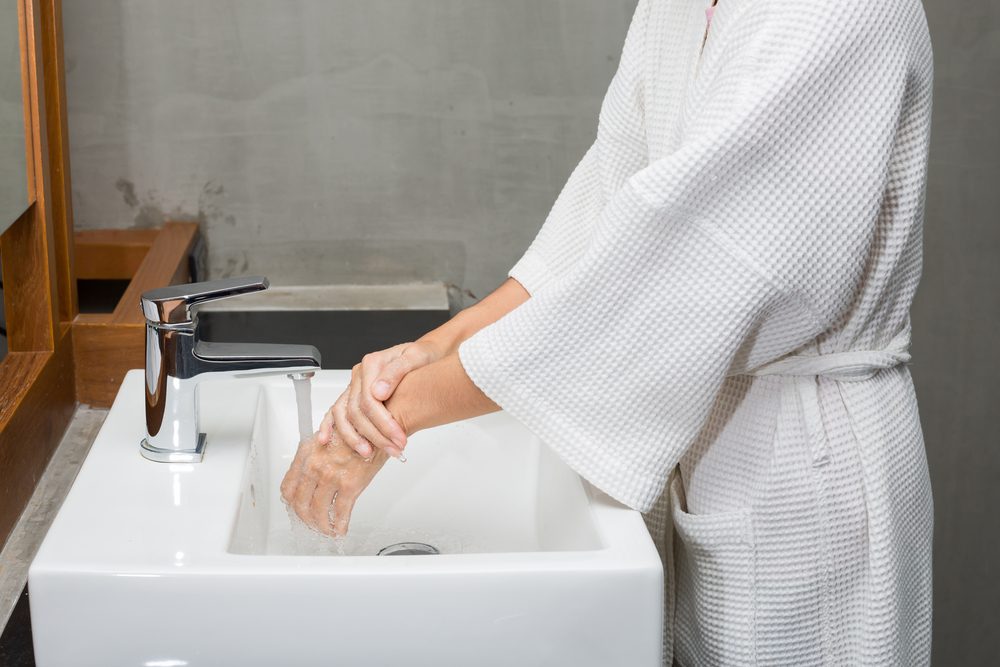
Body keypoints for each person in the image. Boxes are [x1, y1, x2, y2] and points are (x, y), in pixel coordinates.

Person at [281, 0, 935, 663]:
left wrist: (396, 412)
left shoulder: (836, 10)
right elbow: (611, 213)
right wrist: (436, 346)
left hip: (804, 472)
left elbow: (687, 266)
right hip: (706, 445)